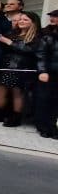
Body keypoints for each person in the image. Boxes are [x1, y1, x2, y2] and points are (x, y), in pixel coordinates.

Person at [0, 11, 40, 127]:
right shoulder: (11, 32)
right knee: (0, 91)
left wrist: (9, 42)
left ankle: (16, 117)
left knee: (18, 93)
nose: (21, 21)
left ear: (34, 23)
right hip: (4, 66)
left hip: (22, 68)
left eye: (25, 20)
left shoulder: (36, 37)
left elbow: (29, 50)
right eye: (20, 19)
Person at [35, 9, 58, 138]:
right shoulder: (46, 34)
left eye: (55, 16)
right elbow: (41, 55)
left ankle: (52, 126)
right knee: (44, 99)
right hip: (48, 73)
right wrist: (43, 71)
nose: (52, 18)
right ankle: (43, 126)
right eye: (52, 16)